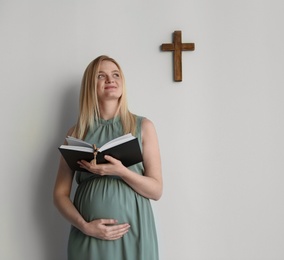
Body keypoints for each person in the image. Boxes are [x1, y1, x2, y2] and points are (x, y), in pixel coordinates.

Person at [53, 55, 163, 260]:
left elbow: (156, 190)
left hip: (134, 232)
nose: (110, 80)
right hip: (89, 236)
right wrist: (85, 226)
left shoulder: (143, 127)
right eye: (101, 76)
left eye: (115, 75)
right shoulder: (77, 133)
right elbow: (59, 194)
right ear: (90, 86)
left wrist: (120, 171)